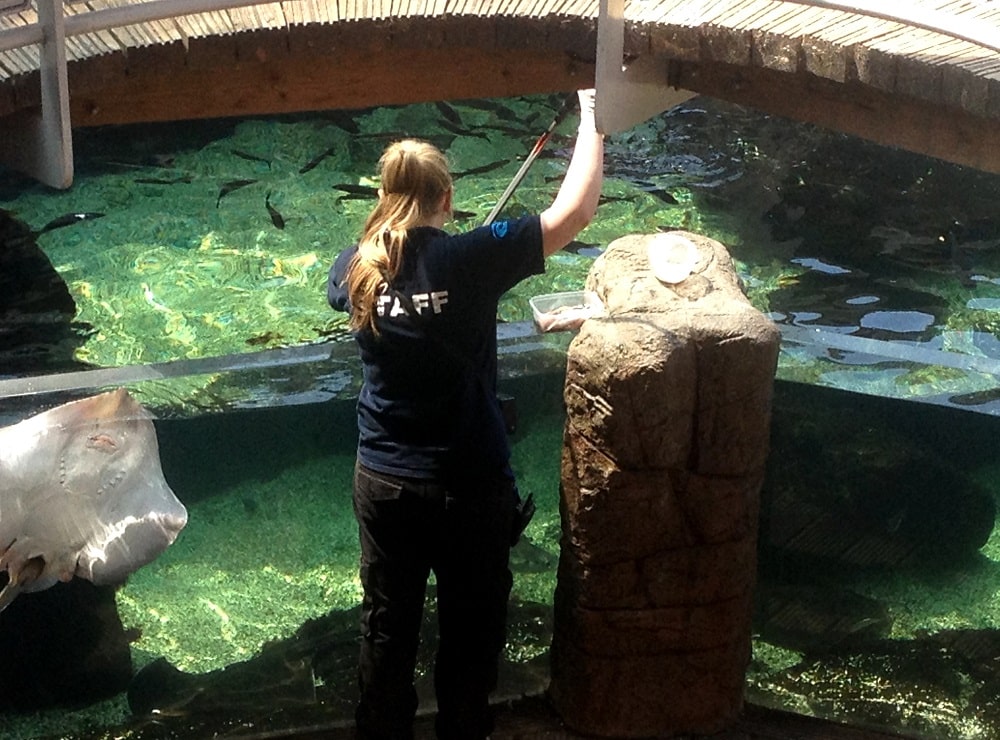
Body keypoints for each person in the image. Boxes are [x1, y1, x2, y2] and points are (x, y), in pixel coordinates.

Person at [327, 89, 604, 740]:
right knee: (470, 636)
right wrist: (593, 117)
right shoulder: (475, 257)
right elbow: (577, 211)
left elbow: (368, 261)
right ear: (447, 199)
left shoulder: (356, 267)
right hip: (469, 488)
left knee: (387, 629)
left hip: (385, 483)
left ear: (383, 198)